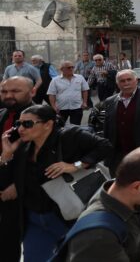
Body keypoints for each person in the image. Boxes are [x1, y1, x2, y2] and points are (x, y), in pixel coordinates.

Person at [0, 104, 112, 261]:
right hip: (34, 219)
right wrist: (6, 155)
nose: (21, 129)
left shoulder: (69, 136)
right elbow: (10, 177)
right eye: (18, 124)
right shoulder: (23, 146)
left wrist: (75, 166)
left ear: (48, 124)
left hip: (66, 216)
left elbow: (105, 146)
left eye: (27, 124)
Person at [0, 76, 35, 262]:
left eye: (15, 91)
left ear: (32, 92)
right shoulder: (2, 114)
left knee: (12, 240)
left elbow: (42, 160)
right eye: (4, 91)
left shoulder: (43, 118)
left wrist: (18, 185)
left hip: (21, 192)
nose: (8, 96)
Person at [100, 70, 140, 175]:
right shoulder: (110, 101)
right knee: (118, 185)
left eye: (129, 80)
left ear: (136, 81)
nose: (126, 83)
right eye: (122, 81)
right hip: (117, 155)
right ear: (117, 84)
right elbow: (107, 129)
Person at [47, 60, 90, 126]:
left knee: (75, 127)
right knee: (60, 127)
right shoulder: (55, 80)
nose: (71, 69)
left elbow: (85, 90)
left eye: (72, 67)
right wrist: (54, 107)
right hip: (61, 108)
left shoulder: (80, 77)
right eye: (68, 67)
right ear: (61, 69)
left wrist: (84, 102)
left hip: (77, 107)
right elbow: (52, 94)